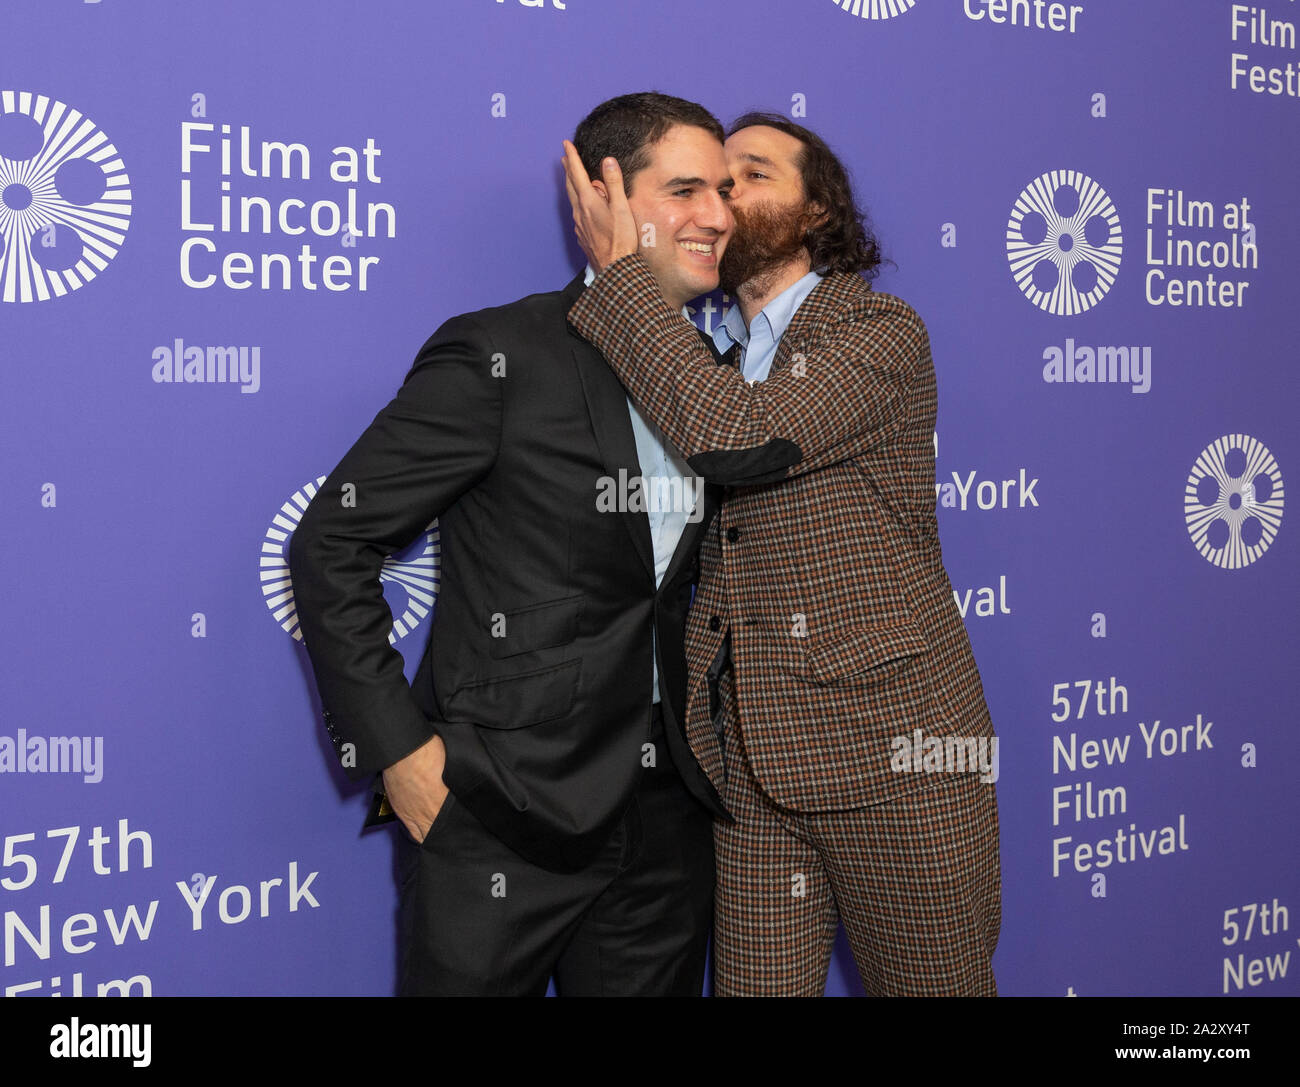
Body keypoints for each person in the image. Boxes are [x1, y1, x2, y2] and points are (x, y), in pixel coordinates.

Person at [288, 92, 735, 997]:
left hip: (665, 827)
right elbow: (331, 541)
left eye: (725, 190)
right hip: (500, 814)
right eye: (686, 188)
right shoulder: (503, 354)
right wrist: (401, 756)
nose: (719, 216)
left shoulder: (717, 385)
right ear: (604, 195)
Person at [562, 114, 1001, 997]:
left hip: (896, 762)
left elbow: (735, 438)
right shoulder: (703, 351)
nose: (722, 202)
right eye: (708, 185)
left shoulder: (878, 330)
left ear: (816, 212)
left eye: (750, 177)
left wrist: (618, 275)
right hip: (749, 766)